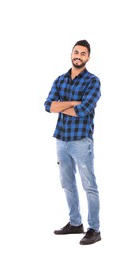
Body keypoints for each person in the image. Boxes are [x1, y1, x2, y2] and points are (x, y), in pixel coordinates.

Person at [44, 40, 101, 245]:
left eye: (83, 53)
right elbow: (48, 106)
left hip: (81, 140)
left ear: (88, 57)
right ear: (71, 54)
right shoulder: (60, 80)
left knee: (89, 185)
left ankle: (94, 229)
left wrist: (64, 106)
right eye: (76, 52)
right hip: (61, 139)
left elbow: (83, 110)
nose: (78, 55)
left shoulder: (93, 81)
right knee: (67, 184)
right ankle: (75, 223)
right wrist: (71, 103)